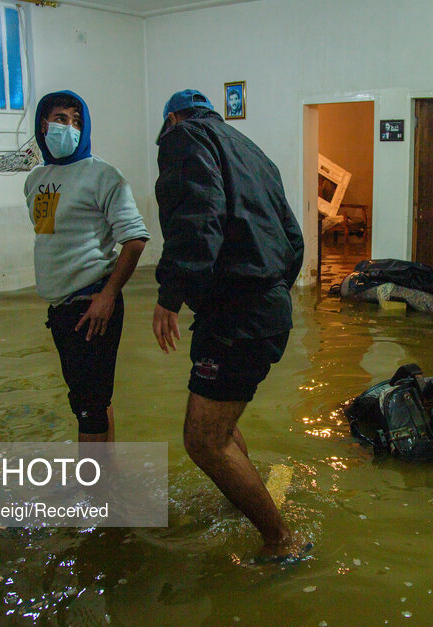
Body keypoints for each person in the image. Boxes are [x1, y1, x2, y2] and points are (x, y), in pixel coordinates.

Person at [152, 89, 306, 562]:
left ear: (172, 118)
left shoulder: (184, 137)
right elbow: (292, 236)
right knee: (219, 425)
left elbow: (198, 219)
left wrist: (169, 296)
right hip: (264, 307)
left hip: (236, 312)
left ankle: (283, 541)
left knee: (202, 439)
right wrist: (272, 293)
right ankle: (240, 500)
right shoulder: (249, 148)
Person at [25, 90, 149, 442]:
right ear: (43, 124)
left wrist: (108, 296)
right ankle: (106, 483)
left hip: (92, 304)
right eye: (61, 119)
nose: (69, 127)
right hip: (61, 308)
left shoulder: (103, 175)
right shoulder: (36, 180)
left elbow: (135, 239)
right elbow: (47, 234)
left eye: (76, 121)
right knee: (93, 402)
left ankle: (91, 494)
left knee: (88, 409)